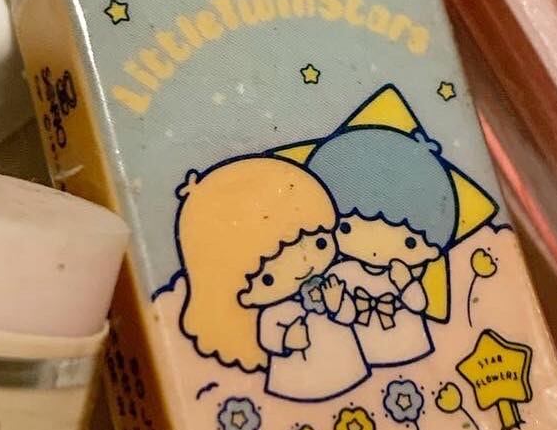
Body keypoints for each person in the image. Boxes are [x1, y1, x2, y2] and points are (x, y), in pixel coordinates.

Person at [174, 155, 368, 402]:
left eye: (320, 242)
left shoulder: (333, 284)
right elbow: (268, 338)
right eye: (268, 278)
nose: (303, 267)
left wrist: (337, 304)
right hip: (296, 387)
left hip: (351, 372)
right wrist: (287, 340)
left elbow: (350, 316)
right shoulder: (274, 313)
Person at [306, 126, 460, 366]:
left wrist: (406, 283)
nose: (375, 248)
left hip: (417, 351)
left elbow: (418, 304)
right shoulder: (341, 273)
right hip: (366, 356)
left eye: (409, 242)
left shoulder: (402, 272)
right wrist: (337, 302)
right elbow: (347, 317)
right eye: (347, 228)